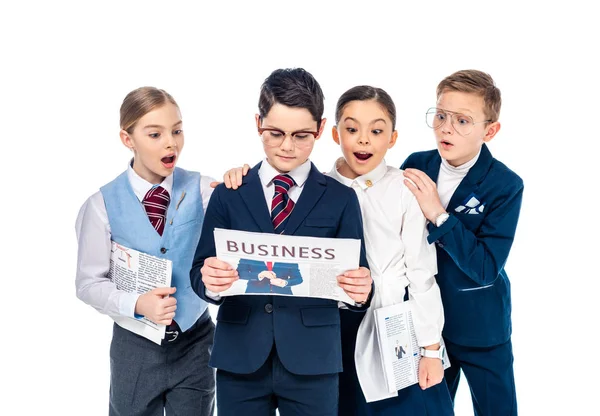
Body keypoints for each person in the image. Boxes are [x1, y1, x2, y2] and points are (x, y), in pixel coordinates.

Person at [220, 85, 454, 415]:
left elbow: (422, 273)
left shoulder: (403, 190)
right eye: (351, 128)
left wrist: (431, 348)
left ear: (393, 138)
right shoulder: (318, 189)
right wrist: (241, 178)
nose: (363, 140)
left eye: (376, 130)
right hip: (332, 326)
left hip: (393, 323)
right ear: (333, 133)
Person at [190, 68, 373, 416]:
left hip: (314, 361)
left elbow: (357, 280)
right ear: (258, 123)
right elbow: (198, 273)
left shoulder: (341, 199)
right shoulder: (229, 194)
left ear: (320, 129)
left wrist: (362, 290)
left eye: (302, 135)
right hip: (240, 357)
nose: (287, 146)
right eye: (275, 133)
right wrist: (210, 283)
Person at [75, 87, 216, 416]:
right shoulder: (100, 207)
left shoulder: (205, 190)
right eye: (155, 134)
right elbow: (87, 284)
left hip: (196, 339)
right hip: (134, 348)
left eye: (177, 131)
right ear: (128, 138)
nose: (171, 143)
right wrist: (136, 304)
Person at [401, 69, 523, 416]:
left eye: (462, 120)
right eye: (440, 115)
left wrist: (439, 215)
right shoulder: (416, 164)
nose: (446, 127)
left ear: (490, 130)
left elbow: (485, 267)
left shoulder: (506, 184)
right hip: (427, 328)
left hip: (481, 325)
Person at [236, 258, 302, 294]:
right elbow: (240, 273)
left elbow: (298, 278)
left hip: (283, 298)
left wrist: (285, 282)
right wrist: (259, 275)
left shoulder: (289, 256)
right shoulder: (248, 253)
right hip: (254, 296)